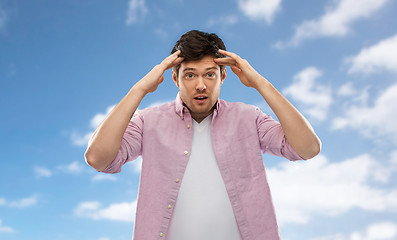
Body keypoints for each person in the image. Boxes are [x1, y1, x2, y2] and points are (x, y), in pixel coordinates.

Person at [84, 30, 321, 240]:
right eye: (190, 75)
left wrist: (260, 83)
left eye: (210, 74)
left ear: (223, 77)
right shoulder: (149, 121)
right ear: (175, 78)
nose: (201, 85)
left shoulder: (249, 118)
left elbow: (307, 148)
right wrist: (140, 89)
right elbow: (98, 158)